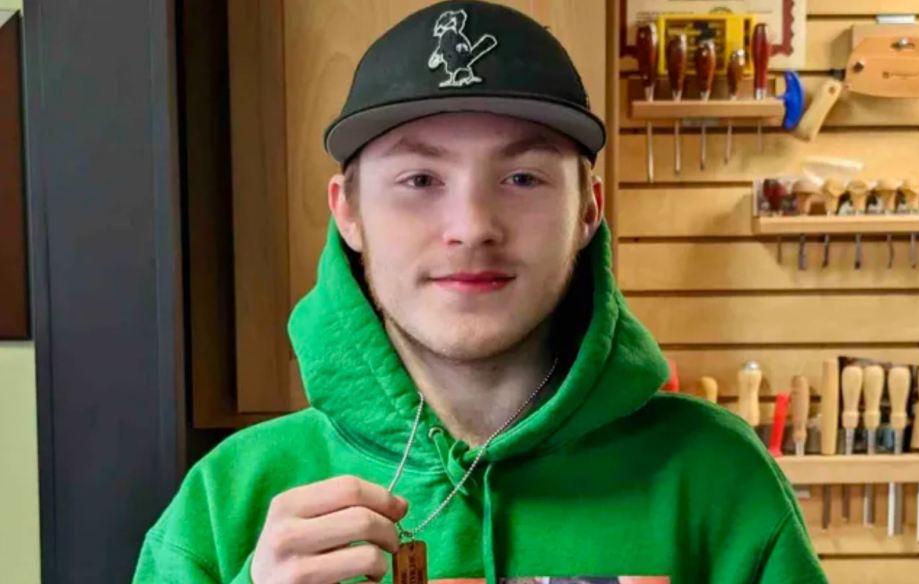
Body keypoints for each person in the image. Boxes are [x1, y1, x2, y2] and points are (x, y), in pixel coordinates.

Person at [133, 2, 827, 583]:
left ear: (587, 209)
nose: (470, 228)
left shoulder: (719, 481)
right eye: (419, 181)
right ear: (347, 211)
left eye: (522, 178)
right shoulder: (227, 501)